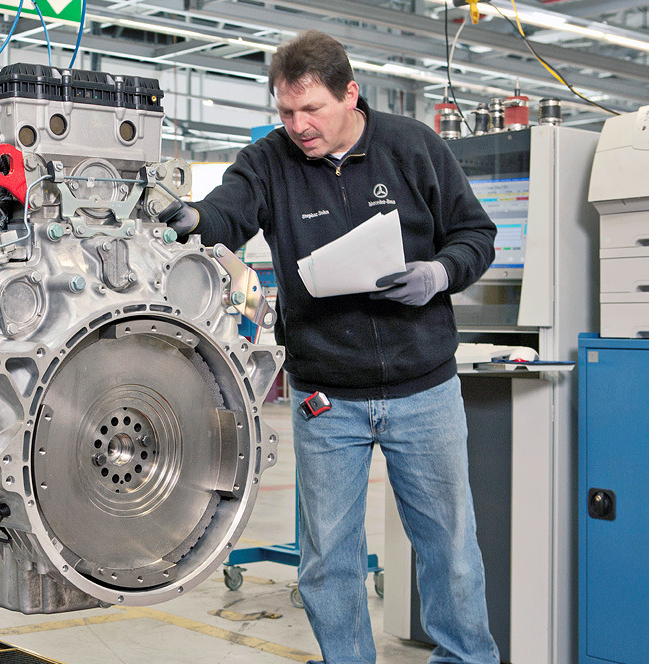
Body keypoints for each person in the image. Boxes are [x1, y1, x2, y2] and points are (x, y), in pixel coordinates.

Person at [161, 30, 500, 664]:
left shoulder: (412, 147)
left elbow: (476, 233)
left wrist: (439, 273)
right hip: (327, 398)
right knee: (327, 562)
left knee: (449, 549)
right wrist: (195, 220)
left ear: (351, 95)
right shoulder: (269, 161)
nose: (298, 126)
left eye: (311, 109)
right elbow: (228, 212)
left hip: (423, 386)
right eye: (285, 112)